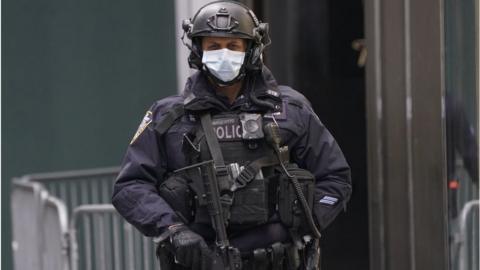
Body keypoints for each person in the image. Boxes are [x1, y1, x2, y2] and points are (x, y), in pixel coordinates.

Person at [112, 1, 352, 269]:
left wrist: (301, 227)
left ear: (250, 50)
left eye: (233, 46)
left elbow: (335, 178)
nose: (223, 54)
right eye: (213, 46)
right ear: (198, 50)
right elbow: (130, 187)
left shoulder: (290, 109)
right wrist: (173, 229)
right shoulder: (169, 116)